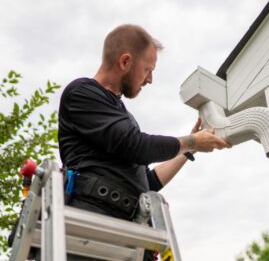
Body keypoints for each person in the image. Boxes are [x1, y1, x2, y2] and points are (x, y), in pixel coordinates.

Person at [57, 24, 231, 260]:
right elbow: (136, 146)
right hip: (90, 229)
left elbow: (146, 182)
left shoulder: (121, 115)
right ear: (125, 62)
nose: (150, 79)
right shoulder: (82, 93)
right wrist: (192, 141)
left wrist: (189, 151)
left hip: (127, 232)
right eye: (148, 69)